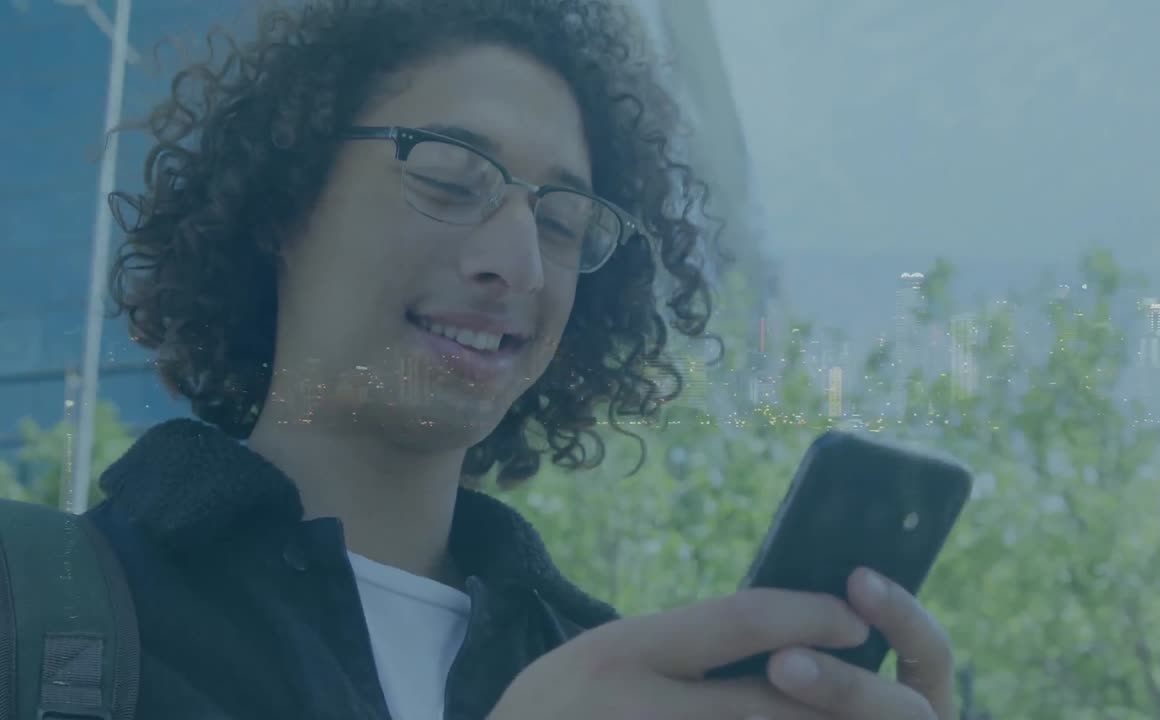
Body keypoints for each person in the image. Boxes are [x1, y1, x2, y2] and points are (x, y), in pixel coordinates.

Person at [86, 0, 957, 717]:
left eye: (562, 221)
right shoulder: (49, 610)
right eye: (450, 178)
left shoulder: (627, 686)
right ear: (286, 197)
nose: (521, 264)